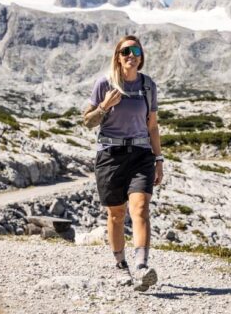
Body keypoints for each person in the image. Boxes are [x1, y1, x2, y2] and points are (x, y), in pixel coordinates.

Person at [81, 35, 164, 292]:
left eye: (135, 50)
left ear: (141, 56)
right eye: (125, 51)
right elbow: (88, 121)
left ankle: (141, 267)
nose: (131, 55)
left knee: (140, 208)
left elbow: (152, 126)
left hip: (141, 155)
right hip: (110, 155)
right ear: (117, 56)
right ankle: (121, 266)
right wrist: (104, 106)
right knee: (116, 215)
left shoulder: (148, 86)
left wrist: (158, 158)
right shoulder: (104, 84)